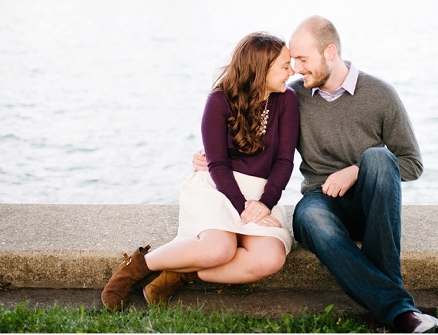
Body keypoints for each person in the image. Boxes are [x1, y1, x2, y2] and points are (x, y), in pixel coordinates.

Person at [194, 16, 438, 333]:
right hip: (319, 202)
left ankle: (391, 313)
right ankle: (398, 313)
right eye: (292, 61)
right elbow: (248, 126)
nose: (295, 69)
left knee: (379, 158)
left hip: (372, 204)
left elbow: (411, 163)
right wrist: (213, 157)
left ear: (329, 52)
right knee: (311, 218)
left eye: (301, 59)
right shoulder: (290, 96)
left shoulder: (381, 95)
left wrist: (355, 171)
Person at [102, 31, 299, 311]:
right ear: (261, 69)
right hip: (219, 187)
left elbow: (284, 162)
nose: (291, 72)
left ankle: (184, 273)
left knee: (270, 259)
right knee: (219, 249)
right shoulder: (219, 101)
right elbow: (217, 165)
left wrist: (264, 204)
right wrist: (243, 206)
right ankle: (137, 267)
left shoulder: (287, 100)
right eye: (284, 65)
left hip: (261, 193)